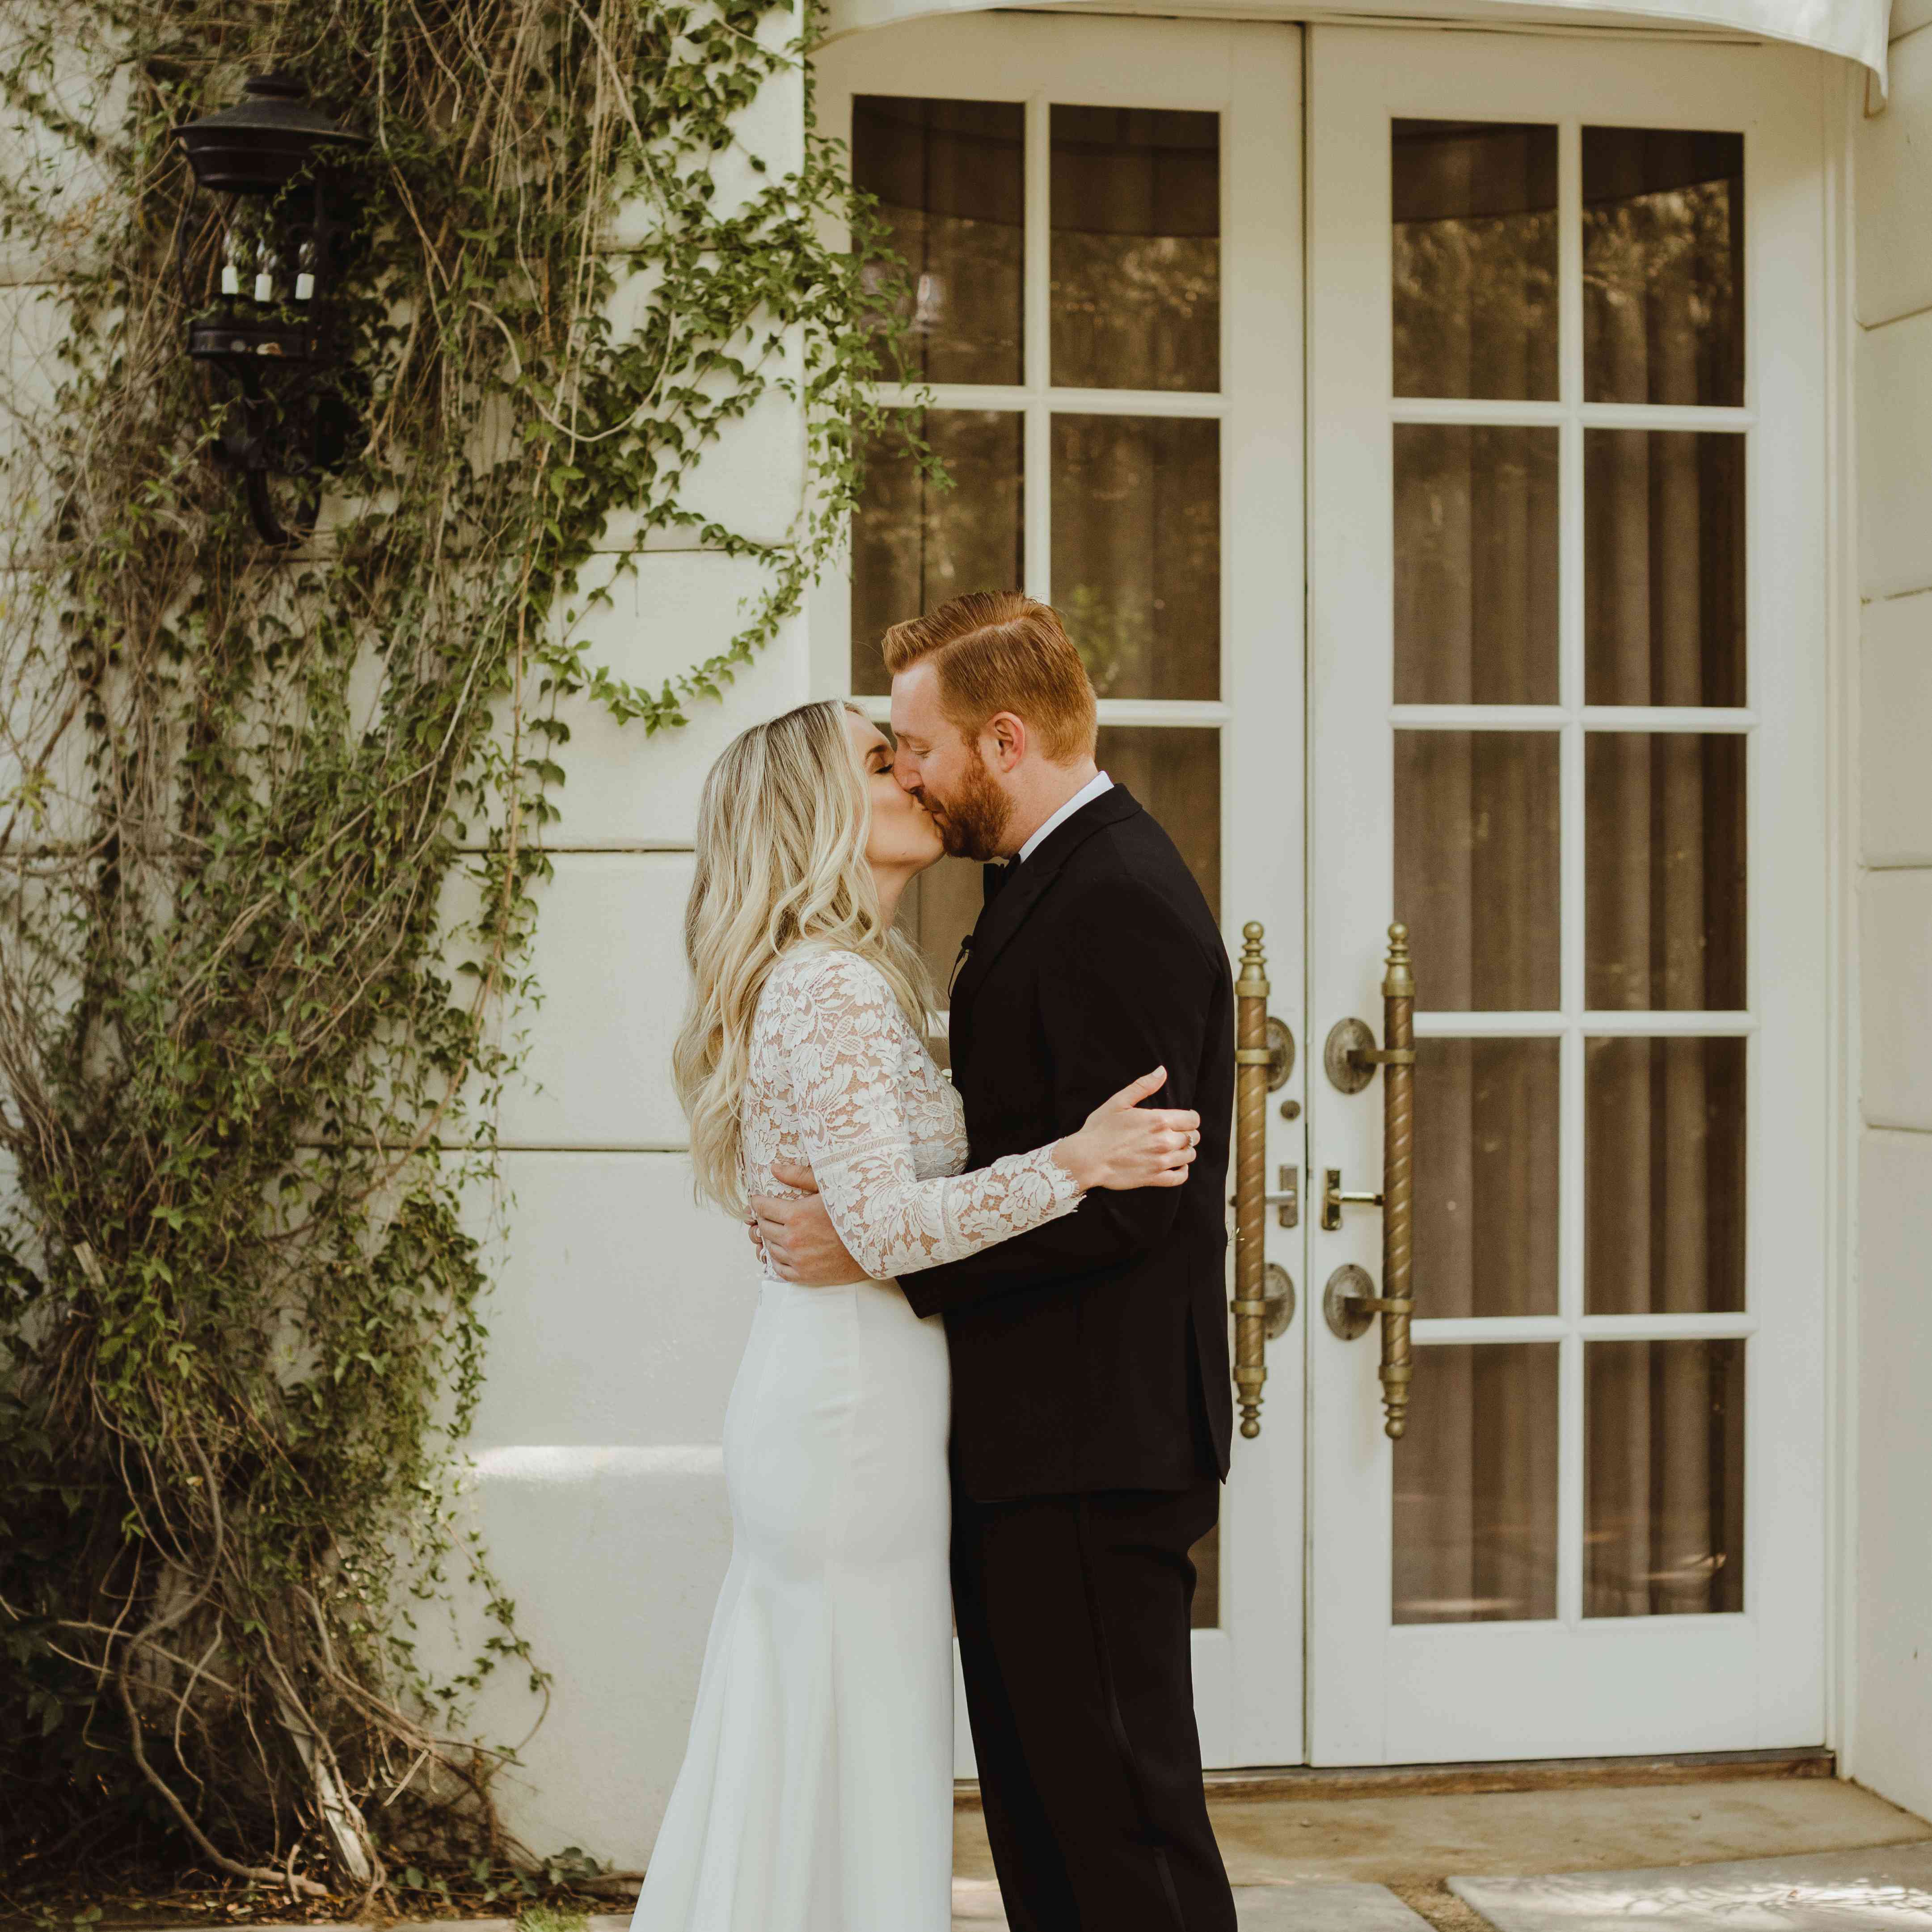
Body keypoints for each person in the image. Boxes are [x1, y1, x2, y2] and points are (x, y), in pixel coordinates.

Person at [634, 695, 1202, 1932]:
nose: (911, 775)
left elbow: (872, 1219)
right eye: (880, 761)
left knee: (834, 1742)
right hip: (849, 1415)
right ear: (815, 810)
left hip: (854, 1393)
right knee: (845, 1739)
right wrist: (1078, 1159)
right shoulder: (829, 986)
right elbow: (890, 1227)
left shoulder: (847, 976)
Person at [751, 593, 1239, 1932]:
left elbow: (1127, 1206)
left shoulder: (1117, 898)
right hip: (1037, 1439)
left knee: (1122, 1829)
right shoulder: (1046, 882)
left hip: (1092, 1437)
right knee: (1053, 1827)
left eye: (917, 746)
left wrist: (884, 1256)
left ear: (1005, 740)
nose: (908, 773)